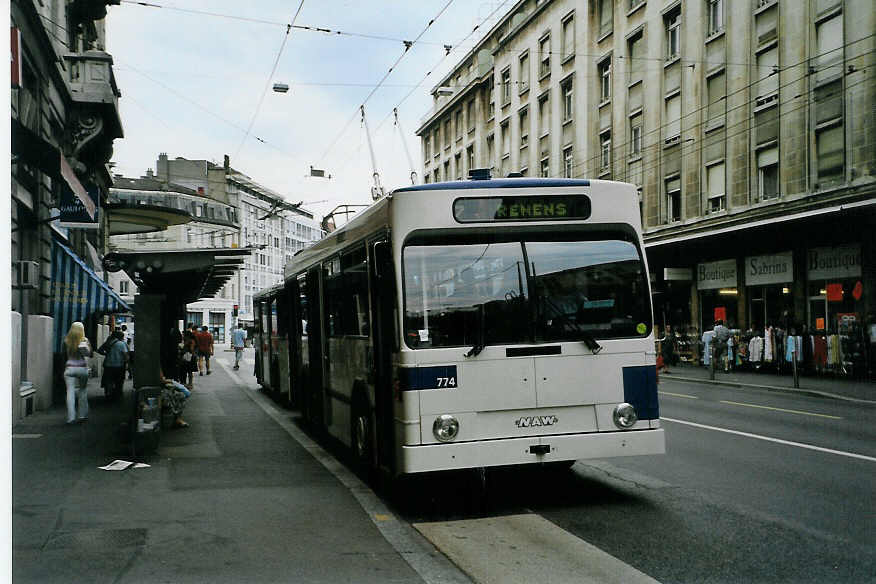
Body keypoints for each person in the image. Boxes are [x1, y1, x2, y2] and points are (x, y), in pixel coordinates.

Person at [63, 322, 92, 424]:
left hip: (69, 368)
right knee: (82, 390)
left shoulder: (66, 341)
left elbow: (64, 355)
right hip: (82, 368)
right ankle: (82, 415)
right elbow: (90, 354)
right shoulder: (85, 340)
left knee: (70, 392)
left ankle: (71, 417)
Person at [98, 330, 128, 401]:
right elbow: (126, 355)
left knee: (109, 380)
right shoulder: (121, 344)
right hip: (119, 365)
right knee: (118, 381)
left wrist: (106, 354)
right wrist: (126, 362)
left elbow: (99, 350)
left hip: (108, 365)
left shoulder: (108, 343)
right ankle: (117, 396)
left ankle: (108, 394)